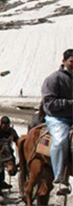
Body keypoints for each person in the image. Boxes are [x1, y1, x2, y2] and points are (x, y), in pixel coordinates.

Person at [41, 48, 73, 195]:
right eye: (72, 61)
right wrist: (70, 103)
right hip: (58, 118)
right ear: (64, 61)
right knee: (60, 141)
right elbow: (49, 103)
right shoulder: (54, 79)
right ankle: (60, 179)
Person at [0, 116, 19, 190]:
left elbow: (17, 140)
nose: (6, 127)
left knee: (11, 158)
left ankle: (12, 171)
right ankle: (0, 181)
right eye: (5, 125)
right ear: (1, 124)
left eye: (8, 125)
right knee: (0, 162)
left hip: (7, 150)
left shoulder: (11, 131)